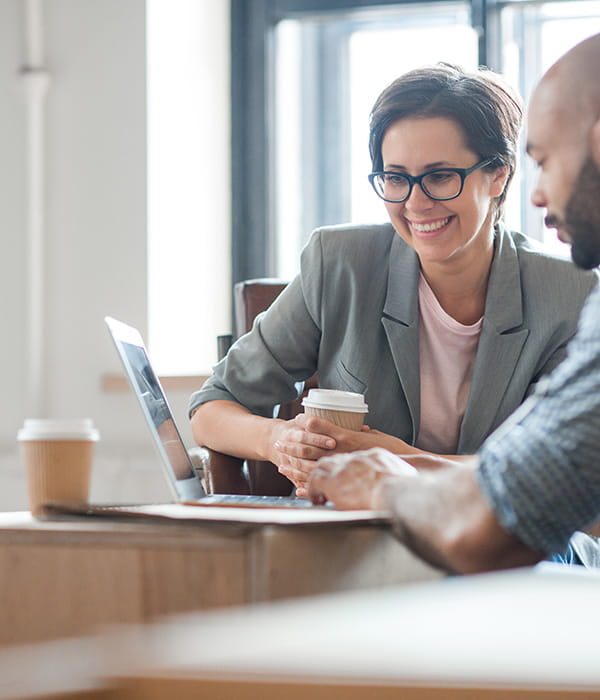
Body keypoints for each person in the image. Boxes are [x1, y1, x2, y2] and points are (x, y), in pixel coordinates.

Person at [189, 64, 595, 500]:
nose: (416, 203)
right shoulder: (341, 262)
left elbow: (552, 470)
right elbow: (212, 406)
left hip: (499, 546)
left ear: (498, 175)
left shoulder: (570, 293)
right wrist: (278, 440)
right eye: (396, 178)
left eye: (440, 176)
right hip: (351, 538)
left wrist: (400, 462)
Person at [307, 33, 600, 574]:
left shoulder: (579, 297)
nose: (537, 195)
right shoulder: (340, 258)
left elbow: (505, 523)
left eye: (546, 160)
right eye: (397, 178)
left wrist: (385, 482)